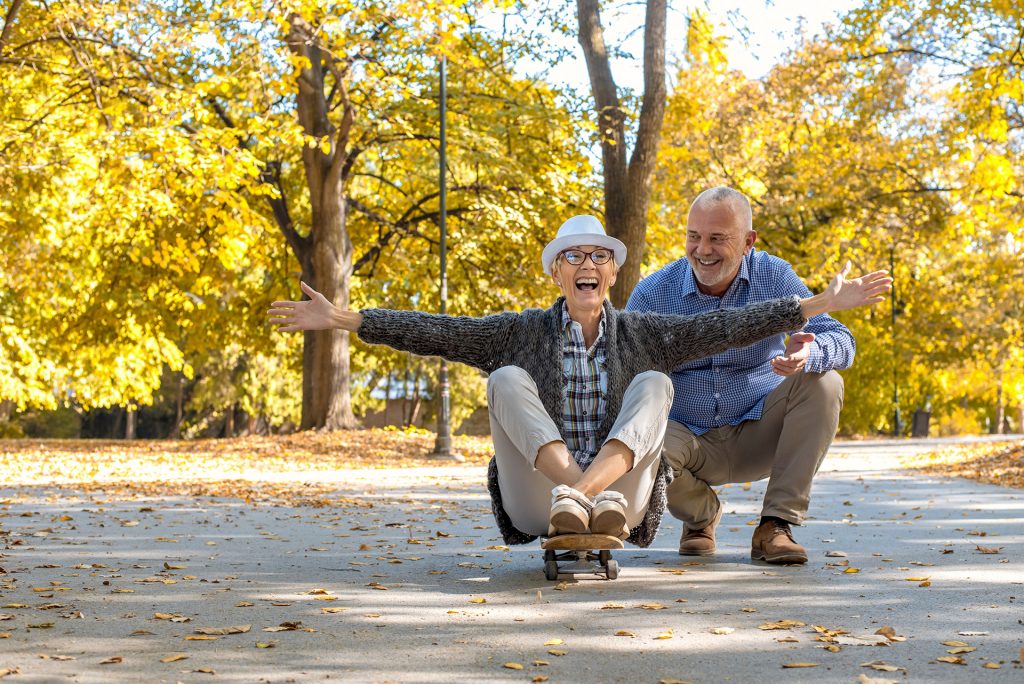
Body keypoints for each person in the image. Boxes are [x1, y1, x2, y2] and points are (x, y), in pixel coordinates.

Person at [269, 215, 890, 548]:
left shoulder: (647, 332)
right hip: (541, 497)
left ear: (613, 275)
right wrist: (345, 318)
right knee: (507, 378)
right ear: (556, 275)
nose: (586, 265)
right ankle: (576, 493)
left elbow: (734, 325)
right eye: (573, 257)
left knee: (653, 384)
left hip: (624, 501)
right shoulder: (518, 331)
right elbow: (437, 330)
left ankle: (593, 495)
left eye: (598, 257)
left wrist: (810, 305)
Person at [626, 186, 867, 563]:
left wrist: (810, 352)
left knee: (826, 381)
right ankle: (702, 515)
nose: (702, 250)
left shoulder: (774, 276)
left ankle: (775, 525)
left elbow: (842, 340)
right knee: (634, 443)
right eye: (694, 236)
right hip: (686, 436)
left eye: (718, 238)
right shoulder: (654, 292)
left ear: (748, 241)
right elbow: (624, 375)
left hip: (759, 429)